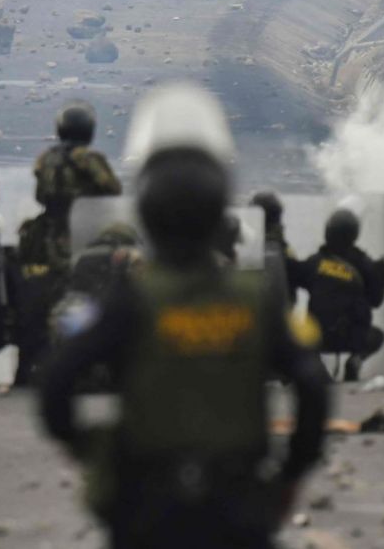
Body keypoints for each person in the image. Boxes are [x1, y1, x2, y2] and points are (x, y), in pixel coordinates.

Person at [38, 84, 329, 548]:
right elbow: (312, 383)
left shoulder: (131, 298)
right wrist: (291, 472)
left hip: (147, 504)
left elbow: (58, 379)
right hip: (239, 501)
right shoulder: (255, 297)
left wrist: (93, 452)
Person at [15, 102, 122, 386]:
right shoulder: (89, 158)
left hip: (49, 234)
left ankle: (42, 362)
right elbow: (113, 189)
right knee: (85, 292)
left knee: (51, 293)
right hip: (83, 235)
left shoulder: (45, 159)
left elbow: (40, 195)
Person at [289, 209, 384, 382]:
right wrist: (381, 272)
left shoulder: (315, 262)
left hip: (317, 337)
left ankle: (315, 367)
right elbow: (376, 300)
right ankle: (355, 361)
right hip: (351, 337)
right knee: (377, 336)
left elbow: (292, 278)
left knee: (300, 332)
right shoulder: (364, 264)